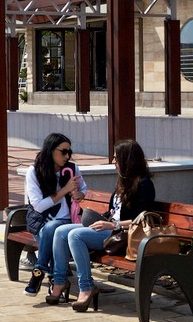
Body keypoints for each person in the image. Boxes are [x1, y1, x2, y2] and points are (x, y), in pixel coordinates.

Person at [50, 139, 155, 311]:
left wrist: (112, 225)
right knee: (61, 231)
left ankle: (86, 287)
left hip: (123, 235)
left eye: (116, 158)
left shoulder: (144, 185)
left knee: (75, 235)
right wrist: (100, 217)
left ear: (127, 159)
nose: (113, 162)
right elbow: (115, 211)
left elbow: (141, 220)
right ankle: (60, 281)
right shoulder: (123, 182)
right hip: (109, 229)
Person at [22, 132, 85, 302]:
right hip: (41, 220)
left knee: (54, 231)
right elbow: (38, 206)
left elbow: (84, 189)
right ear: (50, 150)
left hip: (67, 221)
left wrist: (79, 194)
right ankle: (55, 279)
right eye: (63, 152)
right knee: (50, 231)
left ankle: (40, 272)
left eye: (69, 152)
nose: (67, 156)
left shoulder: (72, 169)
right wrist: (64, 190)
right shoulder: (34, 171)